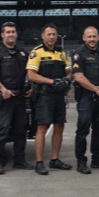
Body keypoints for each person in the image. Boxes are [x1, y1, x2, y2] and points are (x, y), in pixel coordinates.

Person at [0, 21, 34, 175]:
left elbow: (30, 72)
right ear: (2, 35)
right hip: (5, 98)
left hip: (20, 97)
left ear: (16, 34)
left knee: (21, 130)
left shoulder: (23, 53)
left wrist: (31, 87)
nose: (11, 34)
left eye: (13, 31)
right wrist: (2, 89)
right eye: (8, 32)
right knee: (3, 130)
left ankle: (19, 160)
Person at [26, 23, 72, 175]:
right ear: (43, 36)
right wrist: (51, 81)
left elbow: (68, 72)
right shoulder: (36, 52)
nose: (51, 37)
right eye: (49, 34)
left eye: (54, 34)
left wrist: (66, 80)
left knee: (59, 126)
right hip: (44, 96)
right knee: (42, 128)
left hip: (59, 96)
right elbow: (31, 75)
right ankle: (39, 162)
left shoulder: (61, 53)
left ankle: (55, 159)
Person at [72, 26, 99, 174]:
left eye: (94, 36)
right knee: (83, 130)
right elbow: (79, 77)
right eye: (89, 37)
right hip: (86, 98)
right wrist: (96, 89)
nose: (92, 39)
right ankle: (81, 161)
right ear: (84, 38)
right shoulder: (79, 54)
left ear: (98, 37)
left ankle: (97, 159)